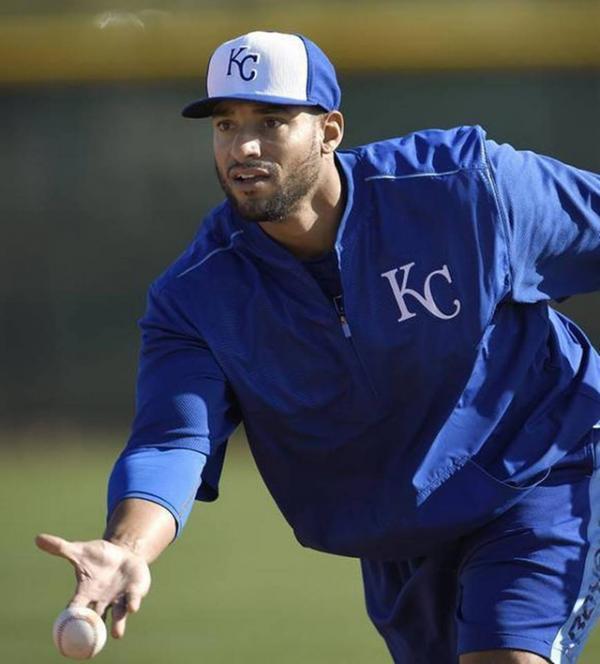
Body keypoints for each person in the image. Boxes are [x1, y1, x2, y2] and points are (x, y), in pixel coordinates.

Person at [36, 31, 600, 663]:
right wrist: (126, 549)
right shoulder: (197, 299)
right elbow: (173, 440)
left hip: (539, 468)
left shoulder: (465, 190)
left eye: (272, 121)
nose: (243, 146)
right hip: (398, 536)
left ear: (329, 130)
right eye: (225, 124)